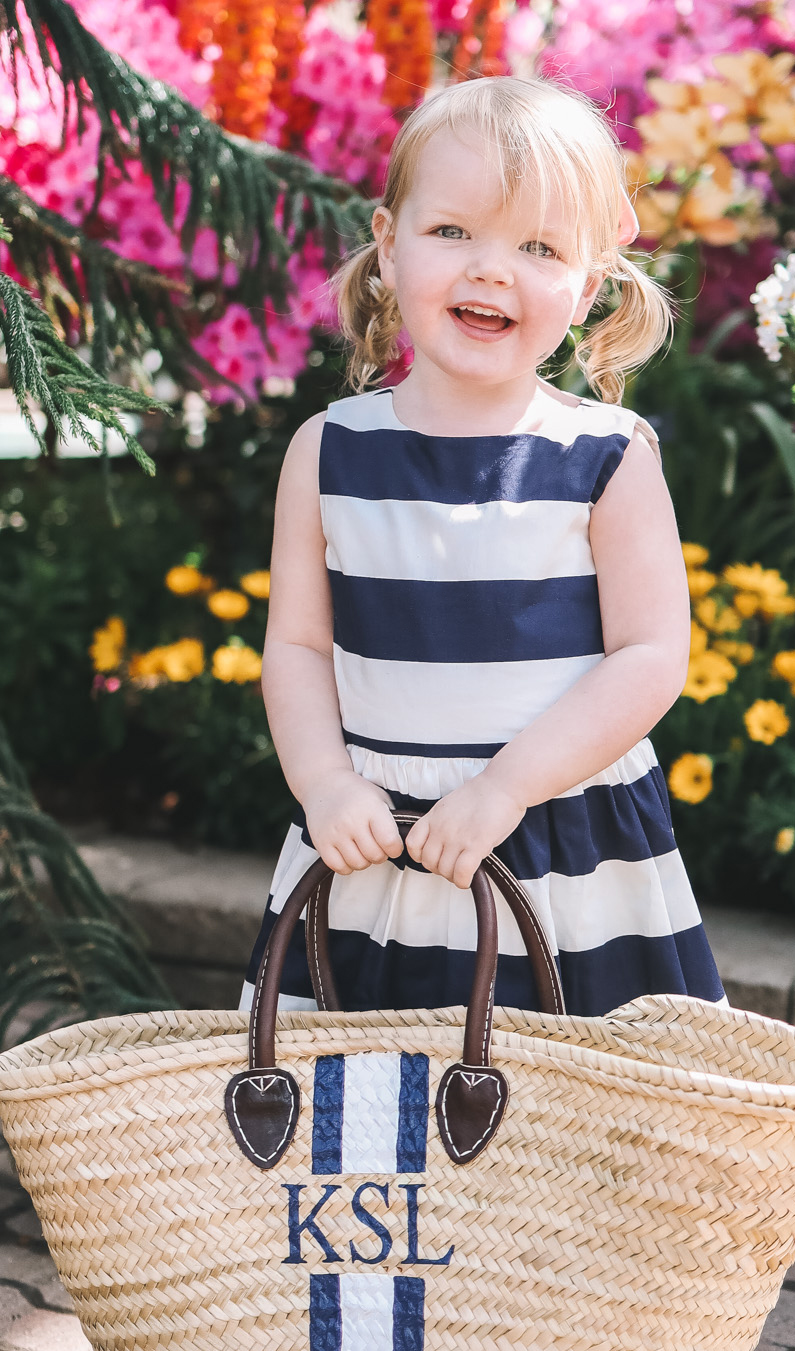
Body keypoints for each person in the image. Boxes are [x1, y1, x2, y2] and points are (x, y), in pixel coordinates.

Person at [245, 72, 726, 1018]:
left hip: (555, 845)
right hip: (378, 846)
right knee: (365, 1109)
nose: (490, 269)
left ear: (587, 286)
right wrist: (326, 785)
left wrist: (505, 790)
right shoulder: (330, 450)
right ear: (388, 246)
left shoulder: (605, 457)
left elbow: (651, 656)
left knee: (569, 1123)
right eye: (452, 231)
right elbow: (297, 648)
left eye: (538, 247)